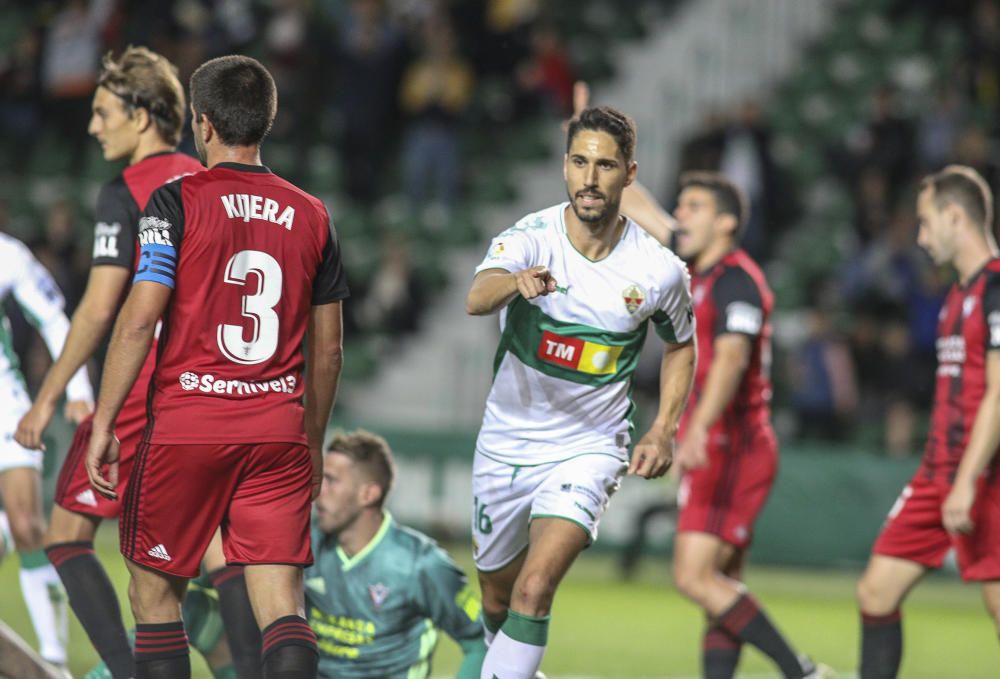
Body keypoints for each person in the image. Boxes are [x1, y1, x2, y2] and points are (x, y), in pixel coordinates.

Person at [86, 54, 348, 679]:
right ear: (266, 121)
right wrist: (310, 440)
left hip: (187, 429)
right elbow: (330, 350)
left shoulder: (172, 202)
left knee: (154, 598)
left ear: (201, 124)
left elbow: (139, 319)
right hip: (276, 432)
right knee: (281, 607)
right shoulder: (313, 214)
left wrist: (103, 421)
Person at [13, 46, 253, 679]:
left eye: (102, 112)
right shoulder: (216, 183)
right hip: (217, 392)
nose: (93, 127)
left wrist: (47, 398)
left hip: (143, 389)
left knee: (65, 535)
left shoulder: (126, 192)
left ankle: (125, 670)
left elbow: (99, 309)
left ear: (142, 116)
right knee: (214, 552)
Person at [465, 105, 697, 679]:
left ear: (630, 174)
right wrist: (513, 284)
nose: (590, 178)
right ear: (565, 167)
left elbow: (681, 345)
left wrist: (664, 427)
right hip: (508, 440)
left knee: (535, 588)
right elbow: (476, 295)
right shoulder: (532, 237)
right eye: (579, 162)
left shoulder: (658, 271)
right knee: (496, 598)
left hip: (590, 447)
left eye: (605, 166)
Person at [629, 171, 826, 679]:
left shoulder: (738, 281)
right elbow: (642, 210)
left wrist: (694, 428)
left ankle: (802, 672)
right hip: (720, 442)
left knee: (693, 577)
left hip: (731, 444)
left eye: (693, 206)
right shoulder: (705, 268)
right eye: (681, 205)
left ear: (727, 223)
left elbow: (734, 359)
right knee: (719, 584)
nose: (681, 215)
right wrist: (590, 142)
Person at [856, 165, 1000, 679]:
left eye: (925, 222)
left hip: (984, 476)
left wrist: (967, 481)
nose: (919, 236)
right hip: (939, 473)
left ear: (955, 216)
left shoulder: (996, 289)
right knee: (876, 591)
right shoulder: (955, 297)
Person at [307, 429, 486, 678]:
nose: (317, 490)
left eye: (331, 480)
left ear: (368, 494)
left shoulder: (421, 564)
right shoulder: (306, 546)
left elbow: (479, 641)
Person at [0, 231, 93, 673]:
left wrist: (77, 390)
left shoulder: (8, 254)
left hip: (6, 406)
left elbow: (54, 320)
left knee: (28, 525)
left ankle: (54, 659)